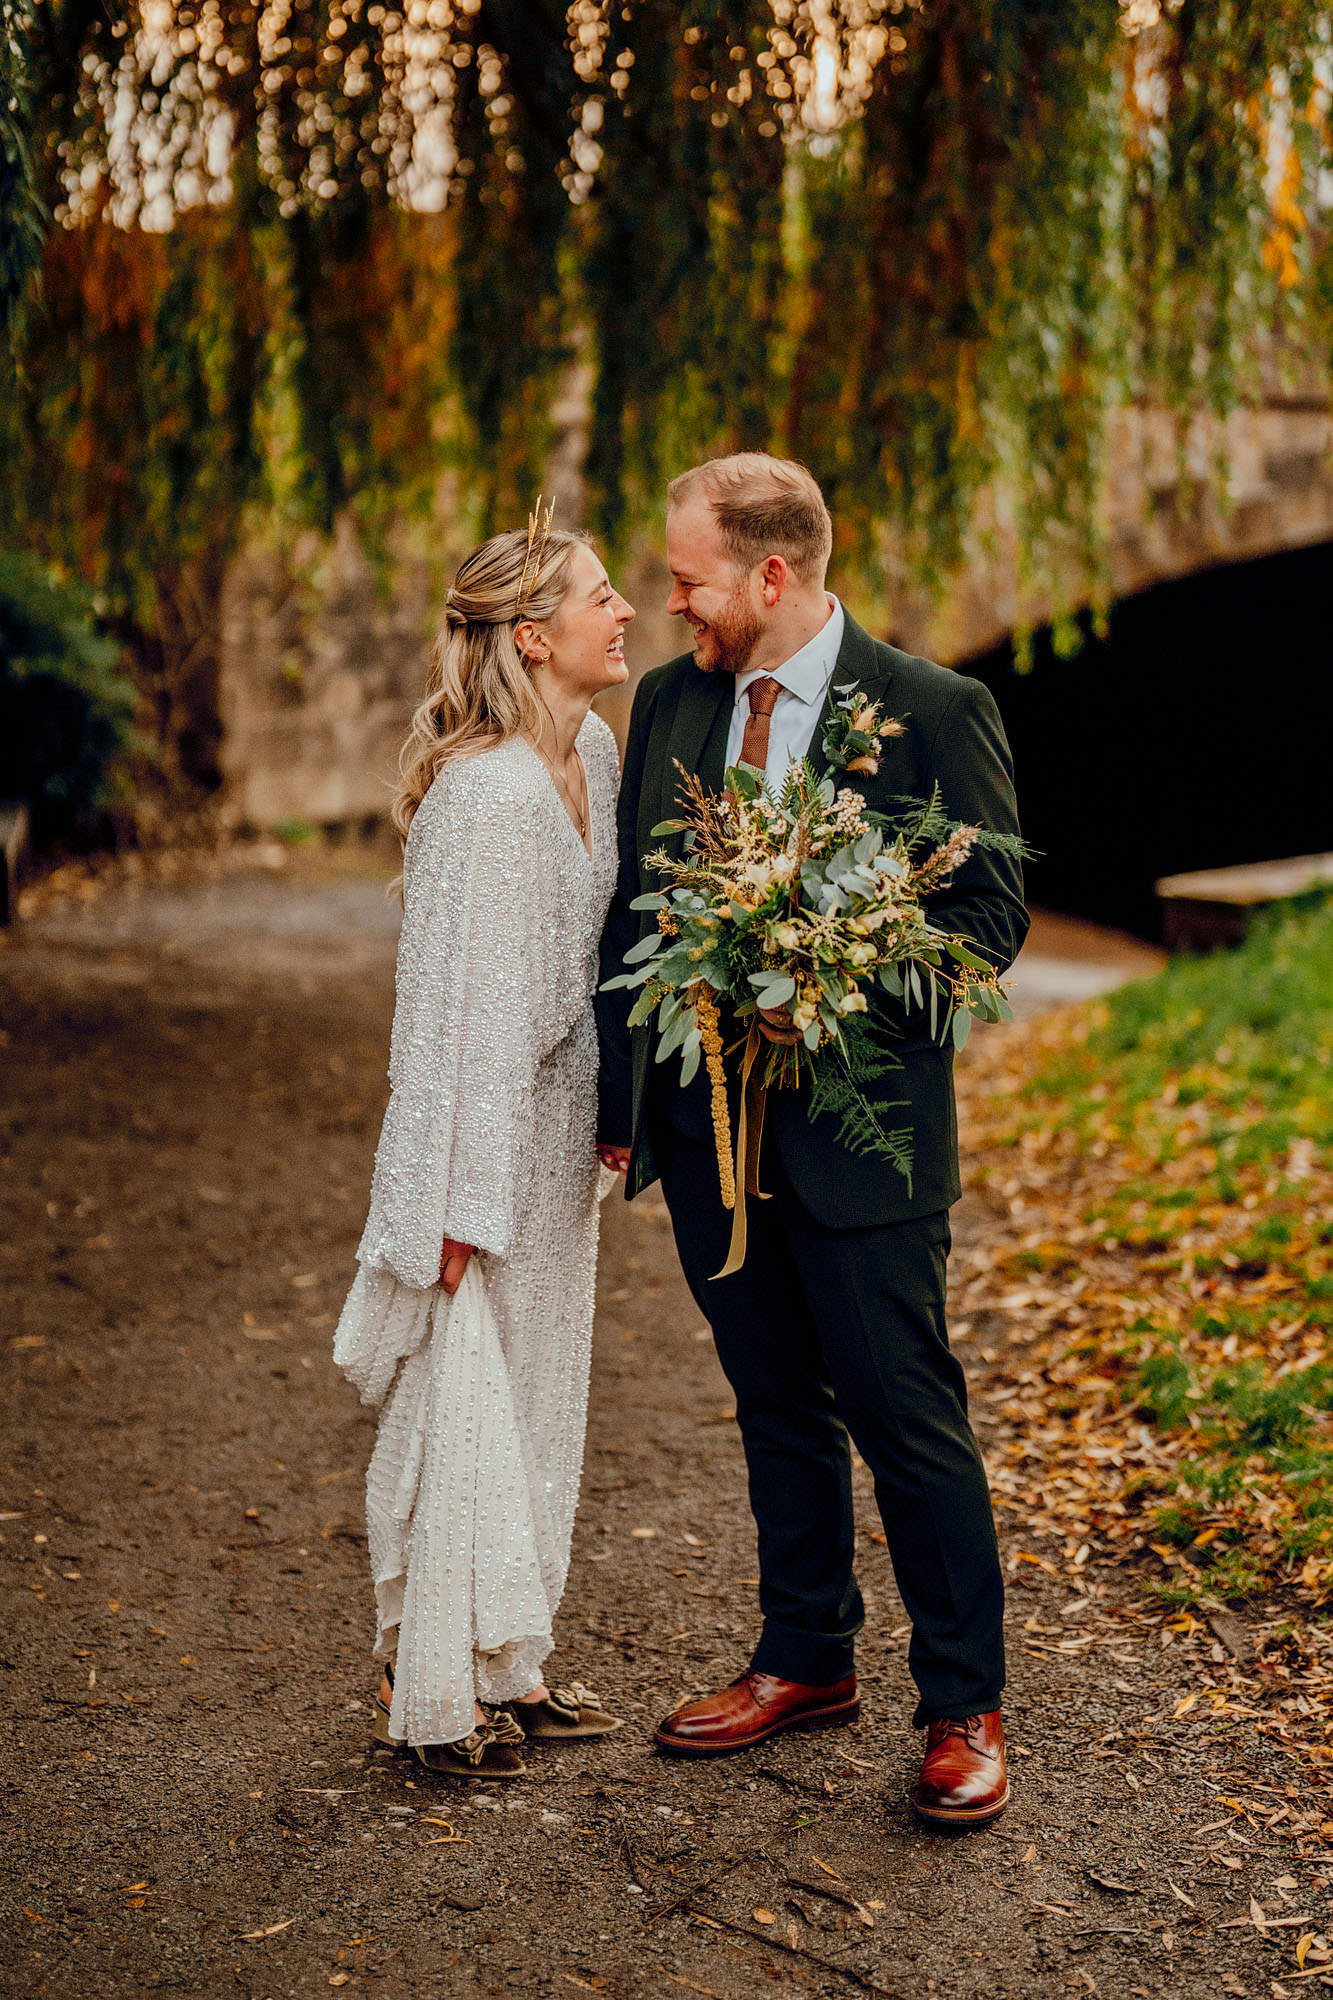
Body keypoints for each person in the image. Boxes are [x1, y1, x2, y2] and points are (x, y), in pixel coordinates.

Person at [596, 453, 1028, 1827]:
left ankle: (962, 1705)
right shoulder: (672, 704)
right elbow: (627, 914)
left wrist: (836, 982)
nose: (672, 605)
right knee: (774, 1400)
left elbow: (986, 926)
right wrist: (620, 1112)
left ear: (769, 574)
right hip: (709, 1137)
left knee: (905, 1415)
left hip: (868, 1142)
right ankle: (805, 1656)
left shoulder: (932, 710)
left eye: (690, 581)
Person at [334, 519, 633, 1778]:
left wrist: (614, 1115)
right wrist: (449, 1199)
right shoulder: (480, 797)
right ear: (533, 635)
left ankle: (513, 1657)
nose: (625, 611)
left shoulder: (596, 754)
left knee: (541, 1398)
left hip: (561, 1137)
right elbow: (441, 1023)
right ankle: (427, 1679)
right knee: (458, 1396)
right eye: (600, 595)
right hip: (482, 1144)